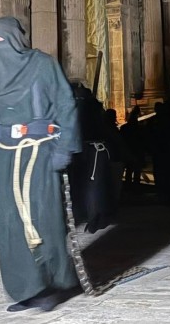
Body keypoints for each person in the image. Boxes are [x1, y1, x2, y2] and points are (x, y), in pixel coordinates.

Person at [0, 17, 81, 312]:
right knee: (9, 224)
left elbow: (65, 104)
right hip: (4, 157)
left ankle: (54, 282)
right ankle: (26, 288)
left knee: (44, 218)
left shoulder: (43, 65)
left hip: (40, 154)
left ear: (18, 39)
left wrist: (65, 147)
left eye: (5, 38)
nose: (0, 45)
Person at [69, 82, 115, 233]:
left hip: (91, 148)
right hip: (88, 148)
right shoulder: (90, 106)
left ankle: (93, 217)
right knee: (91, 185)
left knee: (92, 186)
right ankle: (92, 215)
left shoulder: (83, 107)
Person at [119, 106, 145, 189]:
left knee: (129, 171)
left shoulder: (125, 128)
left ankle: (128, 187)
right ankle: (135, 187)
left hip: (129, 151)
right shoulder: (140, 128)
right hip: (137, 151)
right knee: (136, 171)